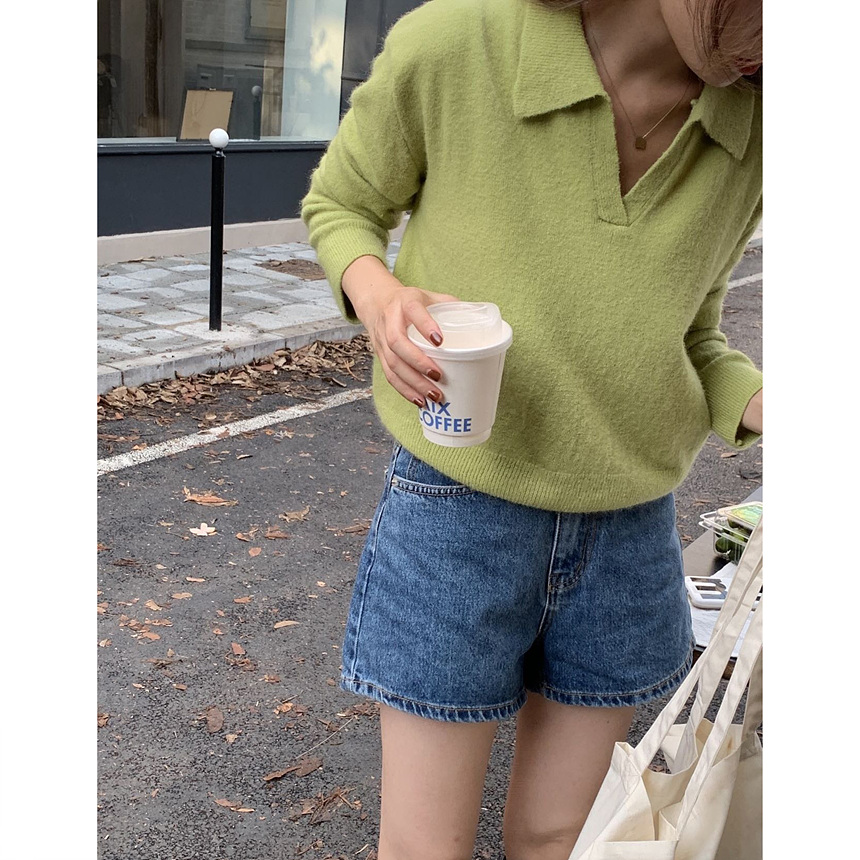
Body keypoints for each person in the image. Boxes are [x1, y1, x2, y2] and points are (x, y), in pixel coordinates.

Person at [300, 0, 763, 857]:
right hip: (456, 509)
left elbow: (694, 334)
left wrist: (764, 405)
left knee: (559, 840)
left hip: (629, 532)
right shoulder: (456, 43)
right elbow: (341, 204)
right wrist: (379, 295)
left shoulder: (756, 126)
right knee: (423, 848)